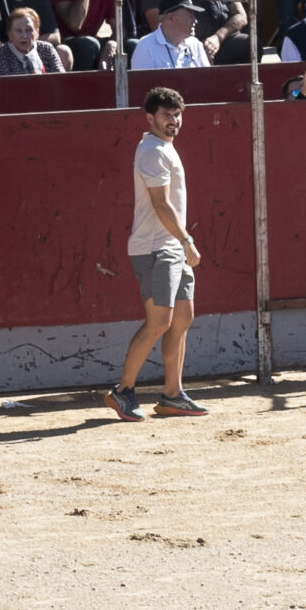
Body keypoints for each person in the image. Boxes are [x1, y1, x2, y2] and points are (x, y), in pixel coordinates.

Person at [104, 85, 208, 419]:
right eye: (167, 115)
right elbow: (160, 204)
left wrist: (180, 243)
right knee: (159, 321)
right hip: (156, 248)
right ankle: (123, 391)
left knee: (182, 319)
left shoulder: (164, 147)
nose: (174, 120)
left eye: (177, 114)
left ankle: (173, 395)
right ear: (150, 118)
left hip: (170, 247)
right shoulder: (152, 150)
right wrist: (187, 240)